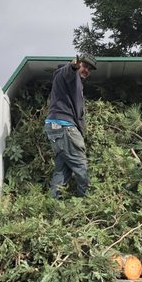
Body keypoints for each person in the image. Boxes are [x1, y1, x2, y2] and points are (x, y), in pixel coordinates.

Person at [45, 53, 97, 198]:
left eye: (90, 69)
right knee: (81, 167)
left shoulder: (76, 82)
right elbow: (69, 71)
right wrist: (73, 66)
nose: (86, 70)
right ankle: (87, 203)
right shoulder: (69, 74)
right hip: (64, 127)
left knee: (62, 170)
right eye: (85, 66)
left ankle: (52, 204)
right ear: (78, 63)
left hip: (56, 127)